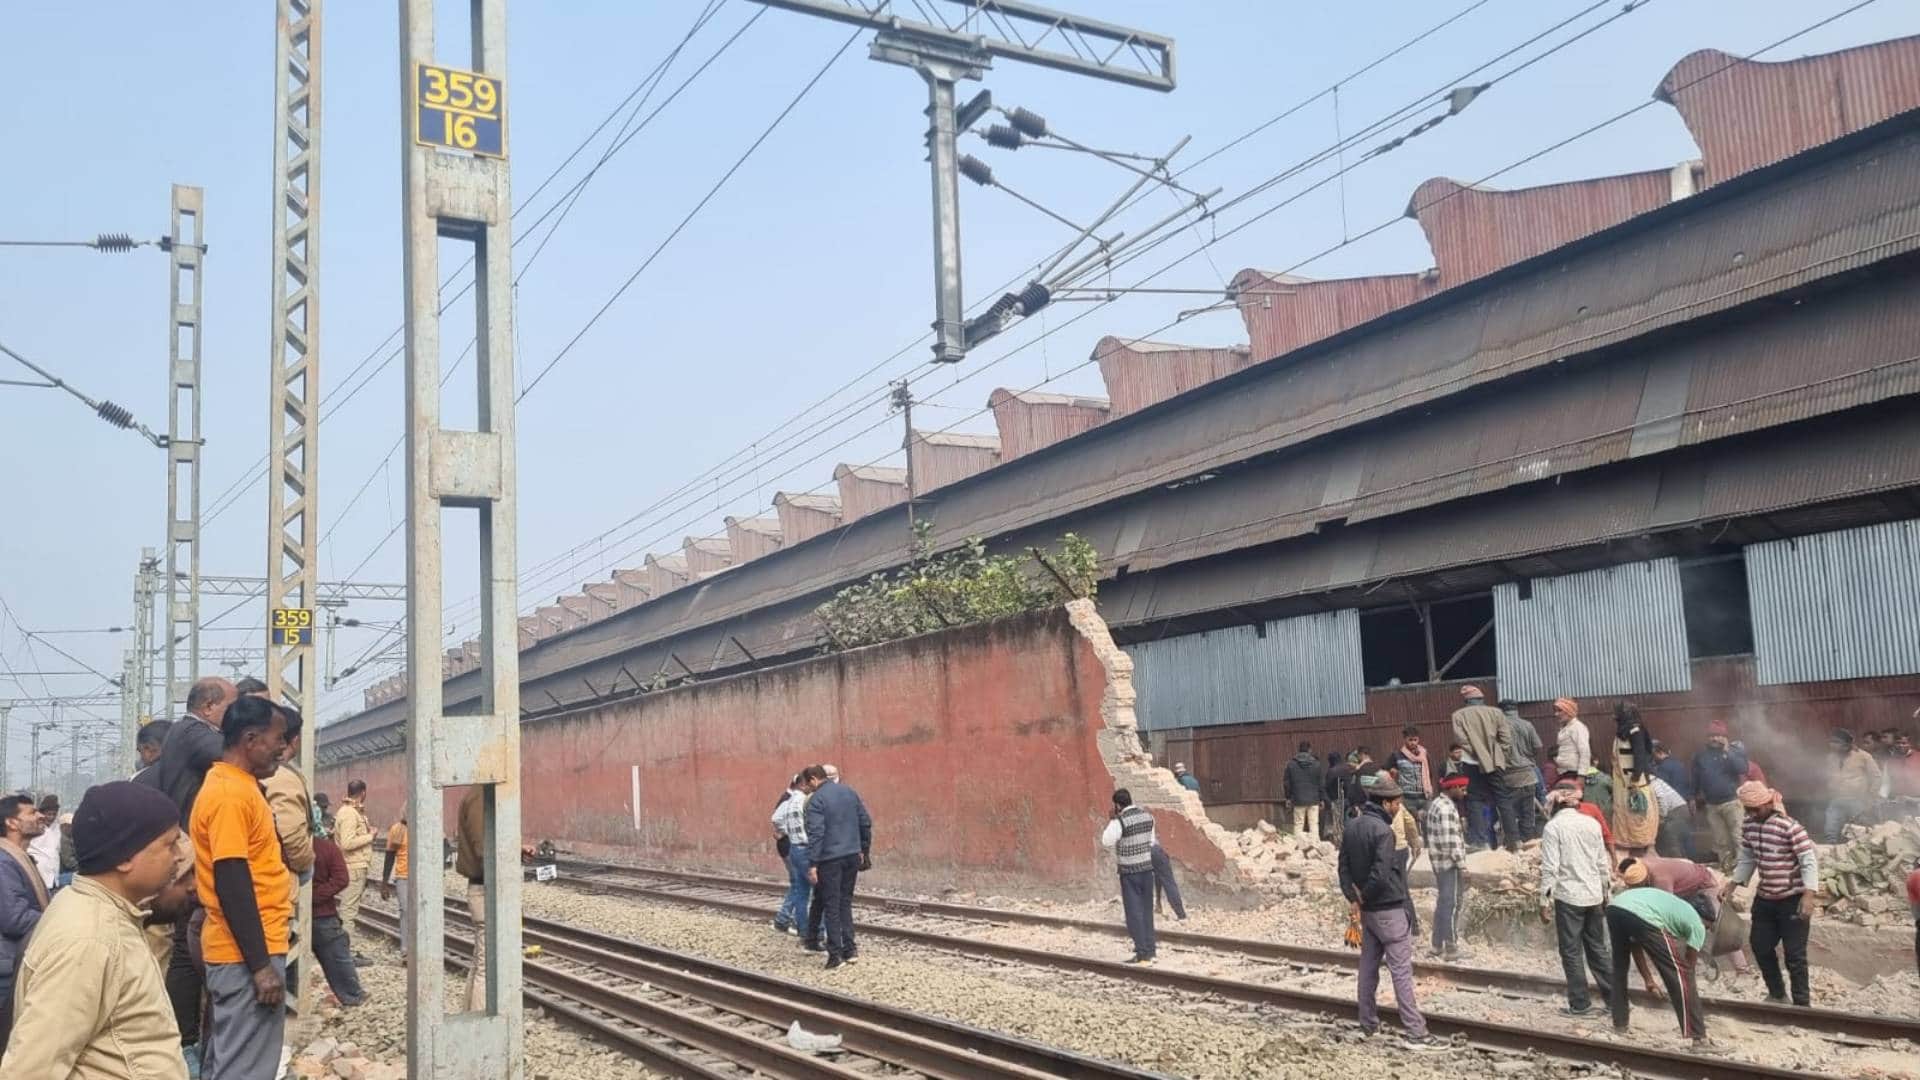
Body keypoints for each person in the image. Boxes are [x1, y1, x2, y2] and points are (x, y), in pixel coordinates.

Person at [0, 782, 188, 1079]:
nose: (179, 856)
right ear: (125, 857)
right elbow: (31, 1069)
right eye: (169, 844)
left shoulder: (104, 913)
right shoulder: (90, 939)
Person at [192, 694, 294, 1079]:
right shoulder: (230, 795)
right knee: (246, 1070)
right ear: (251, 740)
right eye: (278, 739)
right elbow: (232, 878)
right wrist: (260, 966)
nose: (283, 748)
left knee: (230, 1062)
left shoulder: (237, 787)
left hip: (243, 949)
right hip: (245, 953)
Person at [139, 673, 237, 1070]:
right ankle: (187, 1043)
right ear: (209, 707)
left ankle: (190, 1040)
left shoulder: (186, 735)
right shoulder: (195, 733)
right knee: (186, 945)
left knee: (186, 943)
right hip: (194, 850)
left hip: (192, 847)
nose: (236, 717)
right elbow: (237, 752)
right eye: (232, 708)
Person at [1337, 775, 1441, 1048]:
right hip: (1389, 909)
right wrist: (1367, 896)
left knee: (1368, 968)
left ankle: (1367, 1023)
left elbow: (1343, 868)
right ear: (1385, 803)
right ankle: (1416, 1032)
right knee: (1401, 971)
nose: (1398, 807)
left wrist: (1355, 899)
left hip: (1369, 913)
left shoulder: (1352, 827)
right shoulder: (1384, 832)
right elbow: (1381, 874)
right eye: (1396, 803)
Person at [1722, 780, 1818, 1006]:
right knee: (1760, 946)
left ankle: (1802, 1004)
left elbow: (1808, 861)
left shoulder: (1789, 827)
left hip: (1792, 899)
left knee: (1795, 955)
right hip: (1765, 899)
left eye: (1755, 809)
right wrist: (1732, 884)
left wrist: (1809, 895)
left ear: (1768, 804)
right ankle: (1777, 994)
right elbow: (1748, 857)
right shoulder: (1749, 825)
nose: (1752, 814)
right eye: (1748, 810)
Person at [1608, 859, 1707, 1043]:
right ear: (1707, 921)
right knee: (1681, 974)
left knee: (1620, 968)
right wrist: (1687, 986)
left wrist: (1649, 980)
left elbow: (1635, 946)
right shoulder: (1698, 925)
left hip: (1615, 908)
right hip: (1642, 915)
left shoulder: (1670, 904)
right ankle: (1699, 1037)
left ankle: (1620, 1023)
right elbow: (1688, 969)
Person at [1540, 785, 1614, 1017]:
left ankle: (1580, 1004)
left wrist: (1544, 901)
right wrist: (1607, 893)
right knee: (1598, 949)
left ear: (1555, 806)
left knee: (1571, 952)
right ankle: (1616, 1002)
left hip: (1569, 897)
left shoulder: (1553, 828)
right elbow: (1602, 863)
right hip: (1594, 895)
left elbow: (1550, 868)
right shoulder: (1591, 824)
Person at [803, 763, 872, 970]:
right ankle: (850, 950)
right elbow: (865, 822)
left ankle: (835, 955)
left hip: (830, 859)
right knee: (845, 903)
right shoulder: (849, 792)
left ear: (814, 779)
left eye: (808, 783)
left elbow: (816, 834)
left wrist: (813, 863)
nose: (808, 787)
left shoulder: (816, 800)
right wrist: (864, 849)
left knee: (831, 906)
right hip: (852, 855)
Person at [0, 794, 51, 1056]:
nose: (40, 816)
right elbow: (15, 918)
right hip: (7, 969)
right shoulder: (3, 862)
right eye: (31, 813)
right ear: (12, 823)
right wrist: (59, 918)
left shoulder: (18, 858)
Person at [1099, 788, 1159, 964]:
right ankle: (1151, 948)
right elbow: (1151, 842)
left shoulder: (1119, 821)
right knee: (1147, 911)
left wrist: (1112, 819)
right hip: (1147, 869)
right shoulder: (1148, 817)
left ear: (1117, 805)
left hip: (1129, 872)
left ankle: (1142, 952)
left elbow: (1106, 841)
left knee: (1134, 913)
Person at [308, 832, 364, 1008]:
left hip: (287, 914)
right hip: (323, 915)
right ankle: (352, 997)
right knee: (337, 958)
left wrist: (306, 897)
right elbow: (342, 879)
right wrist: (316, 896)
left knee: (288, 965)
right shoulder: (327, 848)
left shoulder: (280, 846)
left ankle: (287, 1004)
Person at [1692, 720, 1749, 871]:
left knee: (1738, 836)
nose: (1714, 738)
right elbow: (1696, 777)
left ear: (1725, 737)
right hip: (1712, 804)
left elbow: (1742, 769)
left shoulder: (1734, 752)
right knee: (1720, 840)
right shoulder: (1701, 755)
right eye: (1711, 735)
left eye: (1718, 735)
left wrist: (1727, 751)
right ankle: (1726, 866)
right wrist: (1693, 796)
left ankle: (1743, 868)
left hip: (1732, 802)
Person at [1425, 774, 1470, 960]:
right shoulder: (1445, 809)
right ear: (1453, 788)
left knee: (1443, 903)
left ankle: (1436, 945)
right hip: (1449, 864)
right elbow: (1449, 842)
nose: (1464, 793)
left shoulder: (1437, 804)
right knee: (1451, 905)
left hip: (1440, 863)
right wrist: (1462, 866)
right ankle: (1451, 947)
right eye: (1462, 789)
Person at [453, 783, 487, 1011]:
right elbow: (483, 848)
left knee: (480, 961)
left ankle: (469, 1013)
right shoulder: (480, 796)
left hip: (481, 887)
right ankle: (482, 1021)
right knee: (488, 966)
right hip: (485, 890)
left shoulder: (478, 794)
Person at [332, 779, 374, 945]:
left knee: (349, 909)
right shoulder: (349, 813)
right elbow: (347, 843)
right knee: (348, 911)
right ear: (363, 793)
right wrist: (370, 836)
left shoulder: (351, 811)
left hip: (354, 866)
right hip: (353, 867)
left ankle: (344, 948)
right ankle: (345, 950)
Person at [771, 773, 813, 936]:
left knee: (798, 884)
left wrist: (784, 831)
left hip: (789, 847)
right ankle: (794, 922)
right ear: (802, 784)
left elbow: (776, 819)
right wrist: (786, 831)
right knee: (801, 885)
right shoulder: (794, 799)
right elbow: (776, 819)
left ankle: (783, 920)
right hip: (793, 846)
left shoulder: (789, 798)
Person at [1825, 729, 1883, 843]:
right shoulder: (1831, 758)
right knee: (1830, 830)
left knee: (1858, 832)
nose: (1832, 745)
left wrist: (1870, 797)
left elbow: (1877, 777)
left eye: (1836, 742)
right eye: (1831, 741)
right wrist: (1830, 787)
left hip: (1857, 801)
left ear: (1846, 745)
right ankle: (1831, 848)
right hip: (1837, 799)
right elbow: (1829, 776)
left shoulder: (1864, 756)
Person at [1502, 700, 1547, 835]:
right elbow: (1538, 746)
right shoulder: (1527, 725)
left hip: (1509, 777)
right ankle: (1529, 840)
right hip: (1528, 774)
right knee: (1528, 815)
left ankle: (1515, 843)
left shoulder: (1499, 726)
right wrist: (1528, 756)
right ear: (1516, 709)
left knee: (1511, 815)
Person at [381, 815, 410, 961]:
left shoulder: (426, 825)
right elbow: (389, 856)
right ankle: (406, 950)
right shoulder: (397, 829)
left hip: (423, 876)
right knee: (405, 911)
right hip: (403, 876)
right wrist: (384, 882)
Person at [1387, 727, 1433, 817]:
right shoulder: (1397, 755)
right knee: (1410, 824)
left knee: (1428, 822)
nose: (1413, 743)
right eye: (1410, 740)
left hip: (1425, 797)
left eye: (1415, 740)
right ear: (1405, 739)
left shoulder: (1424, 754)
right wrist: (1393, 772)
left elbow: (1430, 773)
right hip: (1407, 798)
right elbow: (1385, 769)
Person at [1283, 741, 1324, 838]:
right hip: (1314, 799)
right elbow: (1321, 784)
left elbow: (1287, 783)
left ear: (1299, 750)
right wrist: (1322, 798)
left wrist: (1288, 797)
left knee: (1298, 824)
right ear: (1310, 750)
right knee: (1313, 824)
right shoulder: (1316, 764)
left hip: (1298, 799)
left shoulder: (1291, 764)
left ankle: (1298, 845)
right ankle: (1314, 844)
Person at [1649, 772, 1694, 859]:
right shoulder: (1652, 780)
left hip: (1676, 810)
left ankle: (1679, 862)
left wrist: (1661, 817)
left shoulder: (1653, 781)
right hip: (1676, 810)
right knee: (1674, 840)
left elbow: (1661, 799)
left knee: (1671, 839)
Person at [27, 795, 60, 892]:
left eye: (54, 814)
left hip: (53, 877)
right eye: (49, 814)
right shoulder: (34, 827)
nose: (51, 817)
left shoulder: (56, 828)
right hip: (38, 875)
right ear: (42, 813)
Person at [1149, 841, 1188, 921]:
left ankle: (1136, 916)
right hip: (1155, 850)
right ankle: (1181, 915)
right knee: (1168, 882)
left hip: (1139, 853)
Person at [1553, 698, 1592, 778]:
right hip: (1564, 772)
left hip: (1574, 773)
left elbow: (1585, 752)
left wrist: (1581, 775)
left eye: (1560, 711)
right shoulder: (1566, 728)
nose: (1556, 714)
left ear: (1569, 711)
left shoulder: (1577, 727)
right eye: (1556, 711)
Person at [56, 812, 78, 889]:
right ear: (63, 826)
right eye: (70, 826)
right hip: (64, 875)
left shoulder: (70, 838)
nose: (72, 828)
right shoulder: (63, 839)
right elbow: (68, 862)